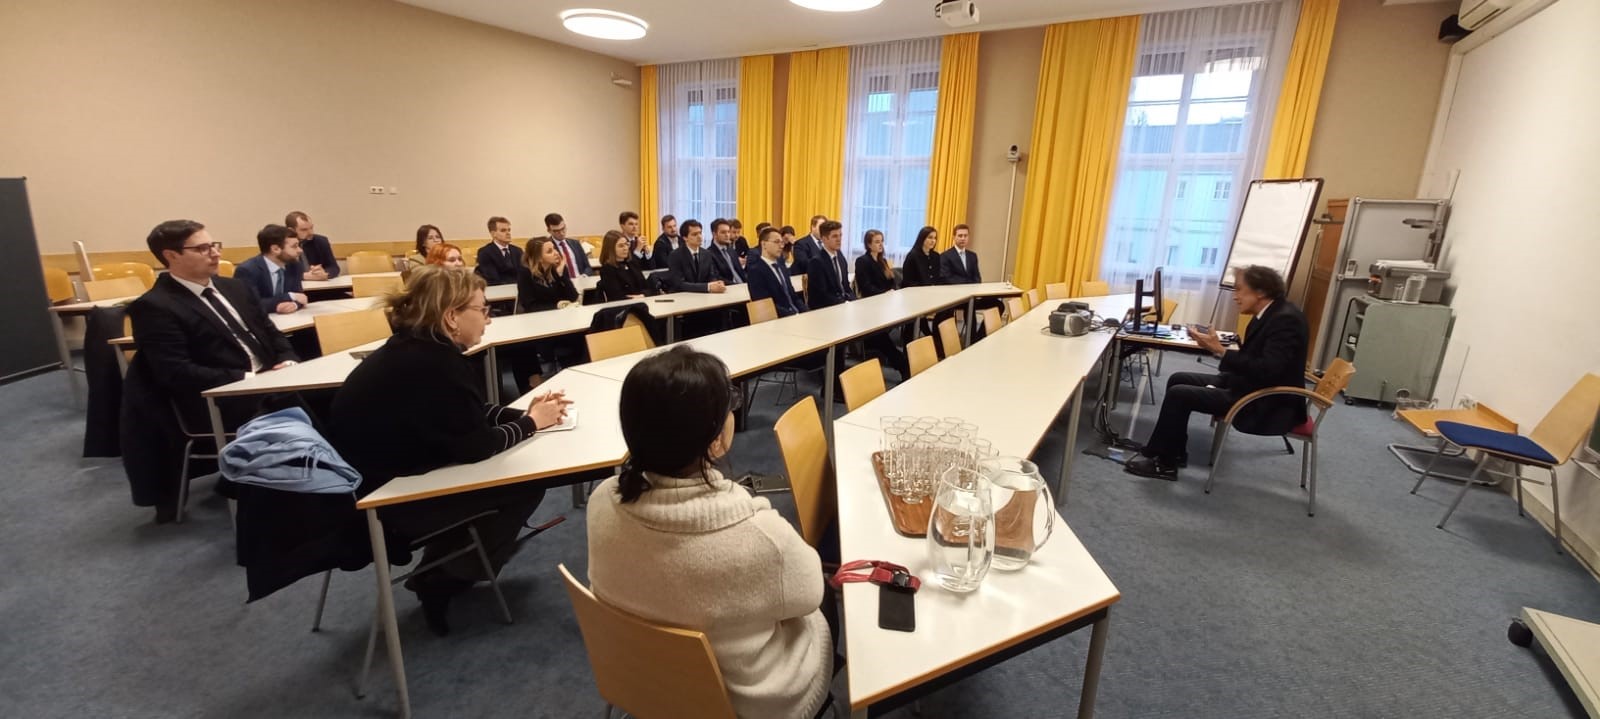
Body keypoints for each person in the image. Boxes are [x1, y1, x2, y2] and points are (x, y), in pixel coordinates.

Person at [586, 346, 832, 719]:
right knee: (825, 603)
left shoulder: (602, 501)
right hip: (745, 705)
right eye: (730, 405)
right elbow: (810, 594)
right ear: (715, 440)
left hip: (641, 681)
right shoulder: (759, 535)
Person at [328, 265, 571, 634]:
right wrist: (532, 423)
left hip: (378, 481)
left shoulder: (418, 349)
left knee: (510, 477)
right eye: (483, 309)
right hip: (387, 503)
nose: (489, 319)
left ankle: (447, 565)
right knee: (524, 484)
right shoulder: (434, 363)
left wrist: (525, 414)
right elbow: (478, 446)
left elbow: (467, 412)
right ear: (451, 317)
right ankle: (442, 577)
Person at [122, 219, 298, 522]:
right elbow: (176, 372)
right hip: (218, 397)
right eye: (202, 248)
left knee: (332, 397)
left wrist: (288, 361)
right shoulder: (155, 307)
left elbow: (271, 333)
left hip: (268, 380)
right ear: (171, 256)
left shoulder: (234, 287)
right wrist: (249, 379)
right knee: (301, 409)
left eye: (214, 245)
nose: (215, 253)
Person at [1125, 265, 1310, 480]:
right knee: (1178, 379)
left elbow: (1269, 369)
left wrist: (1221, 351)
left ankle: (1165, 465)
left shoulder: (1285, 320)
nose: (1235, 296)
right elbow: (1258, 361)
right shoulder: (1269, 313)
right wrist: (1219, 353)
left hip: (1266, 401)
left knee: (1179, 395)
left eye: (1239, 290)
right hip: (1249, 384)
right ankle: (1174, 451)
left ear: (1260, 292)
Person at [234, 224, 308, 315]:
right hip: (259, 320)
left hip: (288, 318)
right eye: (294, 246)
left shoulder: (294, 266)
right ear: (275, 249)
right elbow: (248, 304)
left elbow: (300, 297)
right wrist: (288, 297)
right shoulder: (247, 270)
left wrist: (294, 305)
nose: (300, 250)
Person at [747, 227, 806, 317]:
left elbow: (793, 295)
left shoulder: (781, 267)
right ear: (764, 244)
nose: (781, 246)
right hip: (779, 318)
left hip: (795, 314)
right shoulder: (756, 271)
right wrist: (793, 315)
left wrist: (806, 311)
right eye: (776, 242)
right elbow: (765, 305)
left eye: (782, 242)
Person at [516, 236, 579, 313]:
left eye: (554, 248)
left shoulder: (558, 268)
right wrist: (556, 306)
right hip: (538, 317)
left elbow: (573, 297)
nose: (556, 253)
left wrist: (561, 276)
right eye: (550, 251)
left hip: (560, 314)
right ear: (539, 258)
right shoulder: (525, 273)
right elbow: (530, 306)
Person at [667, 219, 727, 294]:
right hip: (683, 296)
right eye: (695, 234)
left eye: (700, 233)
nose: (699, 237)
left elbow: (712, 276)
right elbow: (679, 284)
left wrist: (716, 283)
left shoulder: (707, 254)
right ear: (685, 238)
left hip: (704, 295)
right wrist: (707, 287)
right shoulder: (675, 255)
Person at [805, 221, 853, 309]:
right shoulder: (816, 262)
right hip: (825, 308)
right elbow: (822, 295)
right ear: (824, 239)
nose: (839, 239)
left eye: (840, 235)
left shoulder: (841, 258)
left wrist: (853, 301)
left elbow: (846, 287)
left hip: (842, 305)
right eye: (834, 236)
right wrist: (843, 303)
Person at [597, 230, 655, 301]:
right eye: (621, 246)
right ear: (610, 249)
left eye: (626, 244)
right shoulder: (607, 269)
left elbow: (647, 288)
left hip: (642, 300)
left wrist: (643, 295)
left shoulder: (631, 263)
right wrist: (636, 298)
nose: (625, 248)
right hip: (625, 305)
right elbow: (616, 297)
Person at [286, 210, 339, 280]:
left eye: (311, 228)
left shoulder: (321, 241)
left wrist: (325, 273)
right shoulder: (283, 245)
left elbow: (334, 267)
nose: (311, 232)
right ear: (291, 230)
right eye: (304, 230)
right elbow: (281, 273)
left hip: (318, 284)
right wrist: (303, 276)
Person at [475, 216, 521, 285]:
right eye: (503, 230)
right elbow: (492, 278)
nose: (508, 233)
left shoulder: (517, 251)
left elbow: (523, 273)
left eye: (509, 230)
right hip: (498, 288)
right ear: (493, 234)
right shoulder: (485, 253)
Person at [544, 213, 591, 278]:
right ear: (549, 231)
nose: (561, 233)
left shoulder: (575, 243)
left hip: (581, 279)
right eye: (556, 231)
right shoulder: (547, 248)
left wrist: (585, 275)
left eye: (563, 228)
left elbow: (588, 267)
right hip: (562, 282)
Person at [854, 229, 896, 298]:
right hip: (872, 298)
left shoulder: (883, 261)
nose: (881, 244)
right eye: (877, 242)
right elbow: (866, 287)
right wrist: (884, 293)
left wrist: (892, 290)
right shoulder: (862, 261)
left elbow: (891, 281)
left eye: (882, 241)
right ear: (869, 245)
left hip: (886, 296)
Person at [707, 218, 746, 285]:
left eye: (728, 232)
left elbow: (741, 272)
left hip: (743, 285)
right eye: (723, 232)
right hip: (730, 287)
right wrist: (737, 285)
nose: (727, 235)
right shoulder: (709, 254)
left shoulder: (731, 251)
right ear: (714, 234)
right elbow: (717, 278)